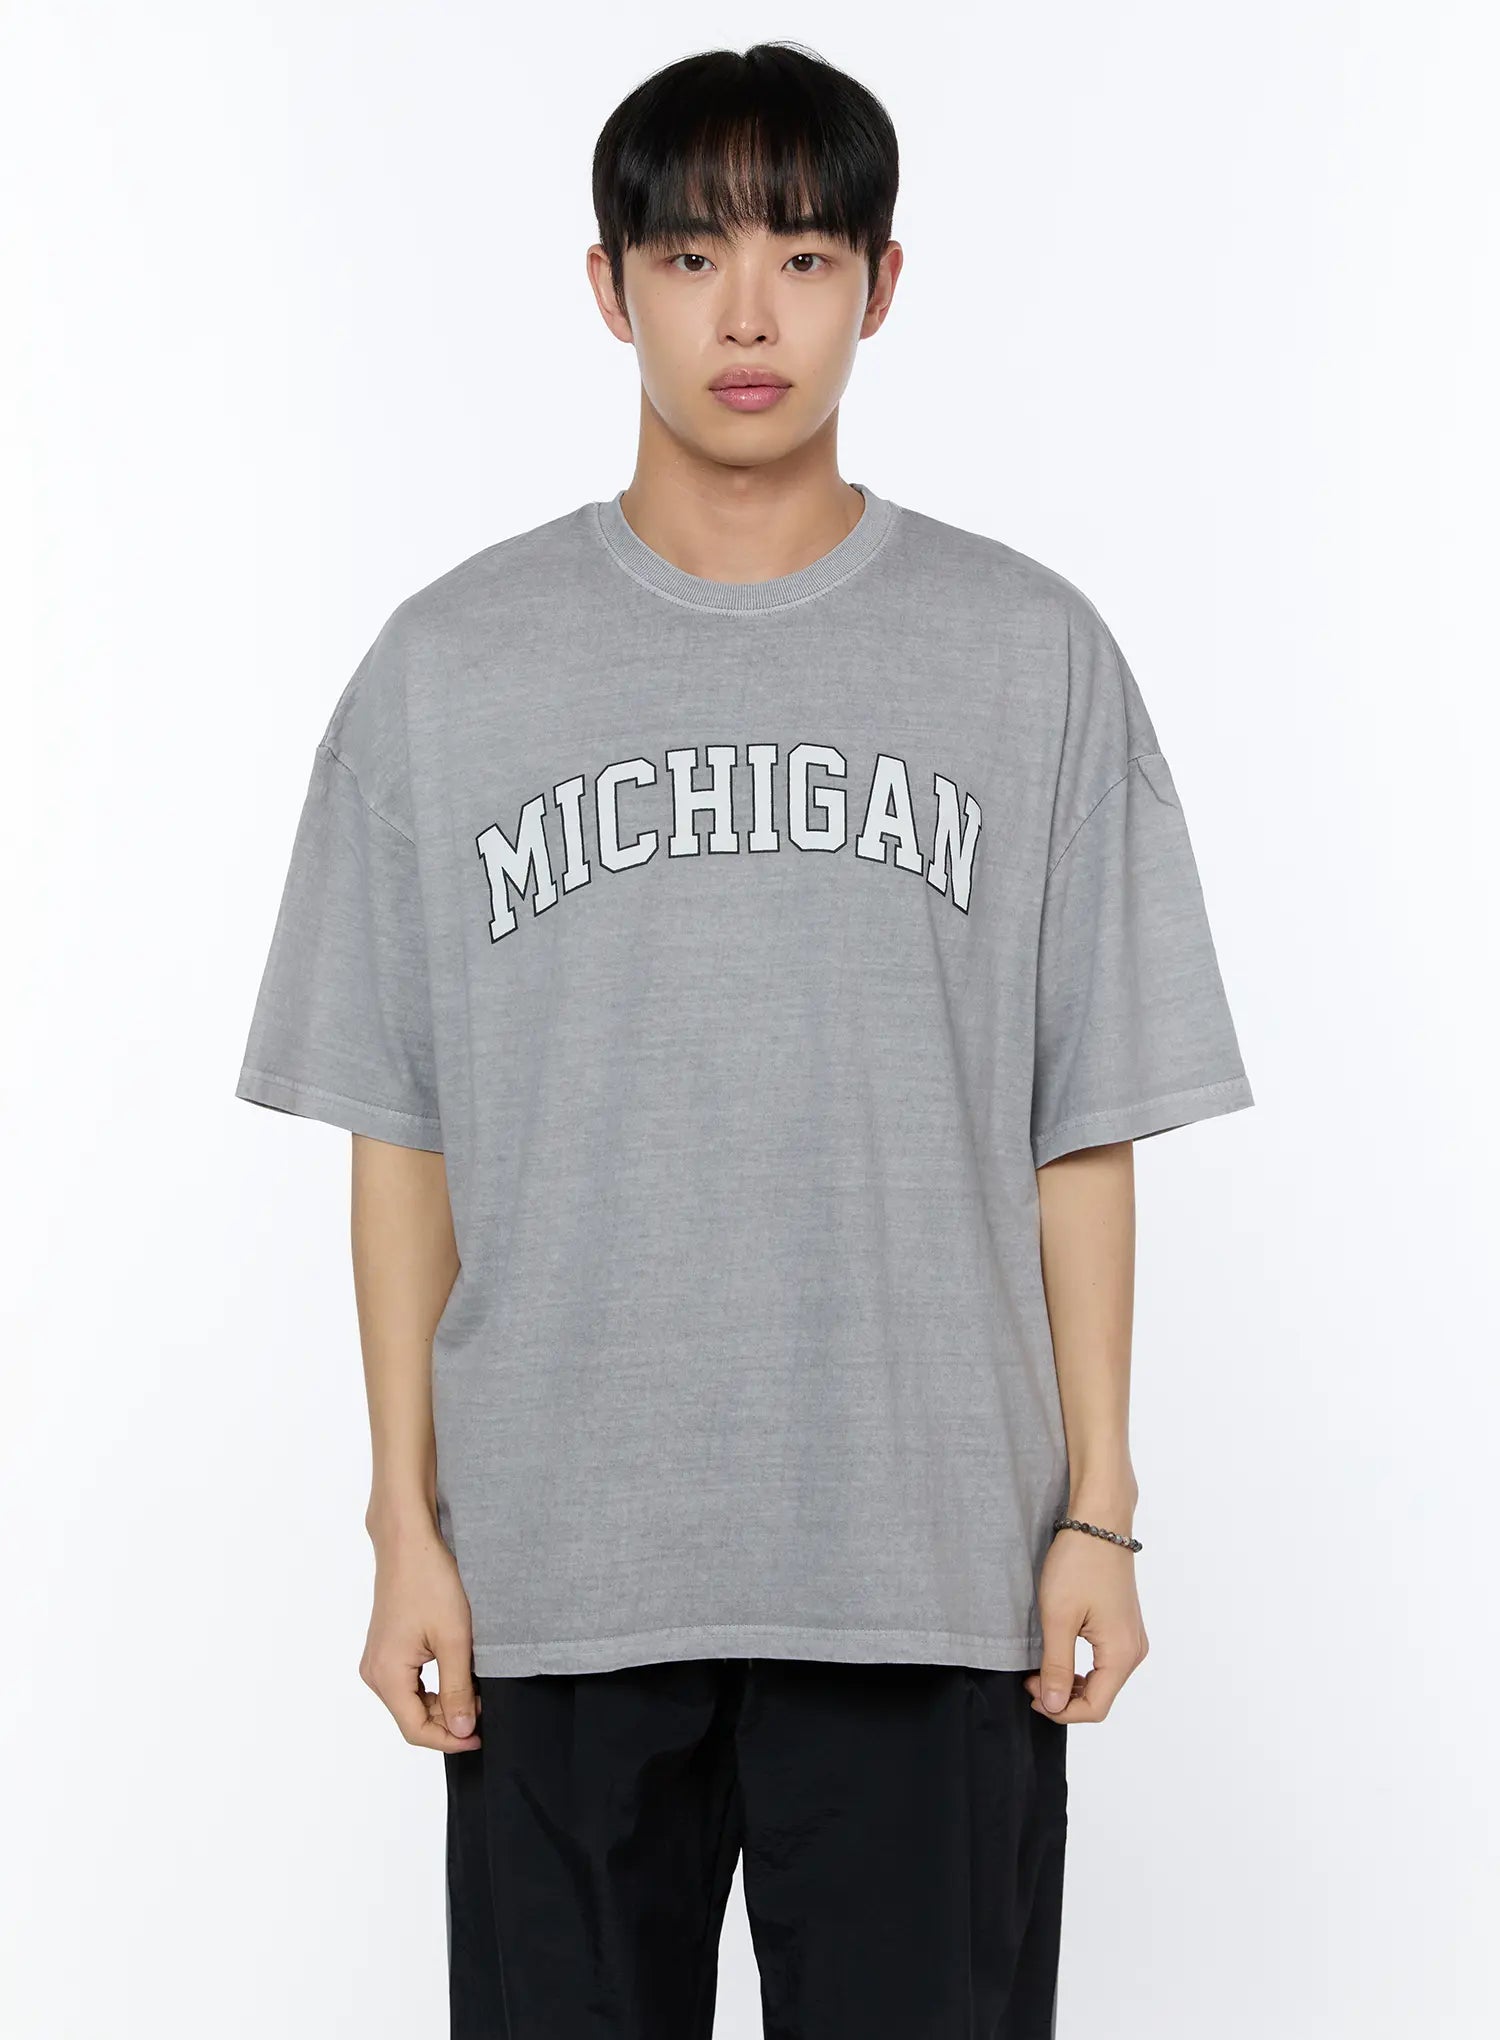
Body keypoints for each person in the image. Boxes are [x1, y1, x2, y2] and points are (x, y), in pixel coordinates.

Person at [233, 39, 1255, 2039]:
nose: (751, 313)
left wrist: (1100, 1509)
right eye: (692, 256)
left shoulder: (1030, 656)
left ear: (884, 282)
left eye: (803, 253)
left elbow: (1081, 1125)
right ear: (608, 288)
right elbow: (402, 1134)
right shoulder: (448, 671)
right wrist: (402, 1528)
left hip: (930, 1570)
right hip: (557, 1580)